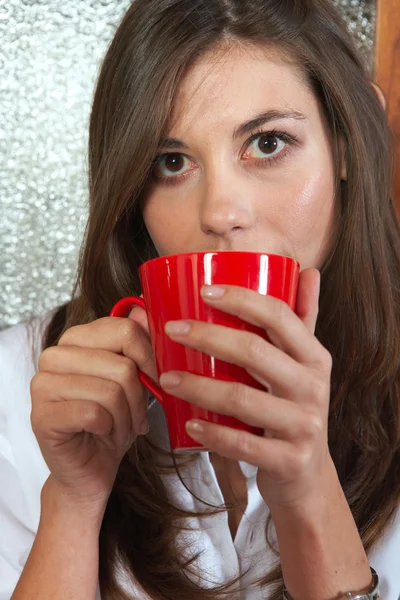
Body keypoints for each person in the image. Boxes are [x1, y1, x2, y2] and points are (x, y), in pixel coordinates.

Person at [0, 0, 399, 598]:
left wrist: (309, 494)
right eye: (172, 162)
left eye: (267, 143)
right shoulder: (21, 378)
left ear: (347, 142)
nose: (220, 214)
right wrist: (73, 501)